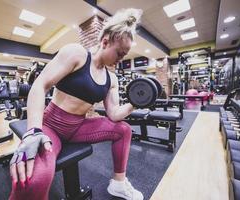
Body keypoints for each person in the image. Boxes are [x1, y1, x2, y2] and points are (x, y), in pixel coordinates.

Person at [9, 8, 144, 200]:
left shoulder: (111, 79)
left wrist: (135, 102)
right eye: (120, 53)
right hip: (51, 125)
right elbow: (40, 85)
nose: (121, 59)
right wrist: (33, 131)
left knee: (123, 129)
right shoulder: (77, 54)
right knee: (33, 180)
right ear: (105, 42)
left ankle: (118, 184)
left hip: (79, 127)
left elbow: (113, 114)